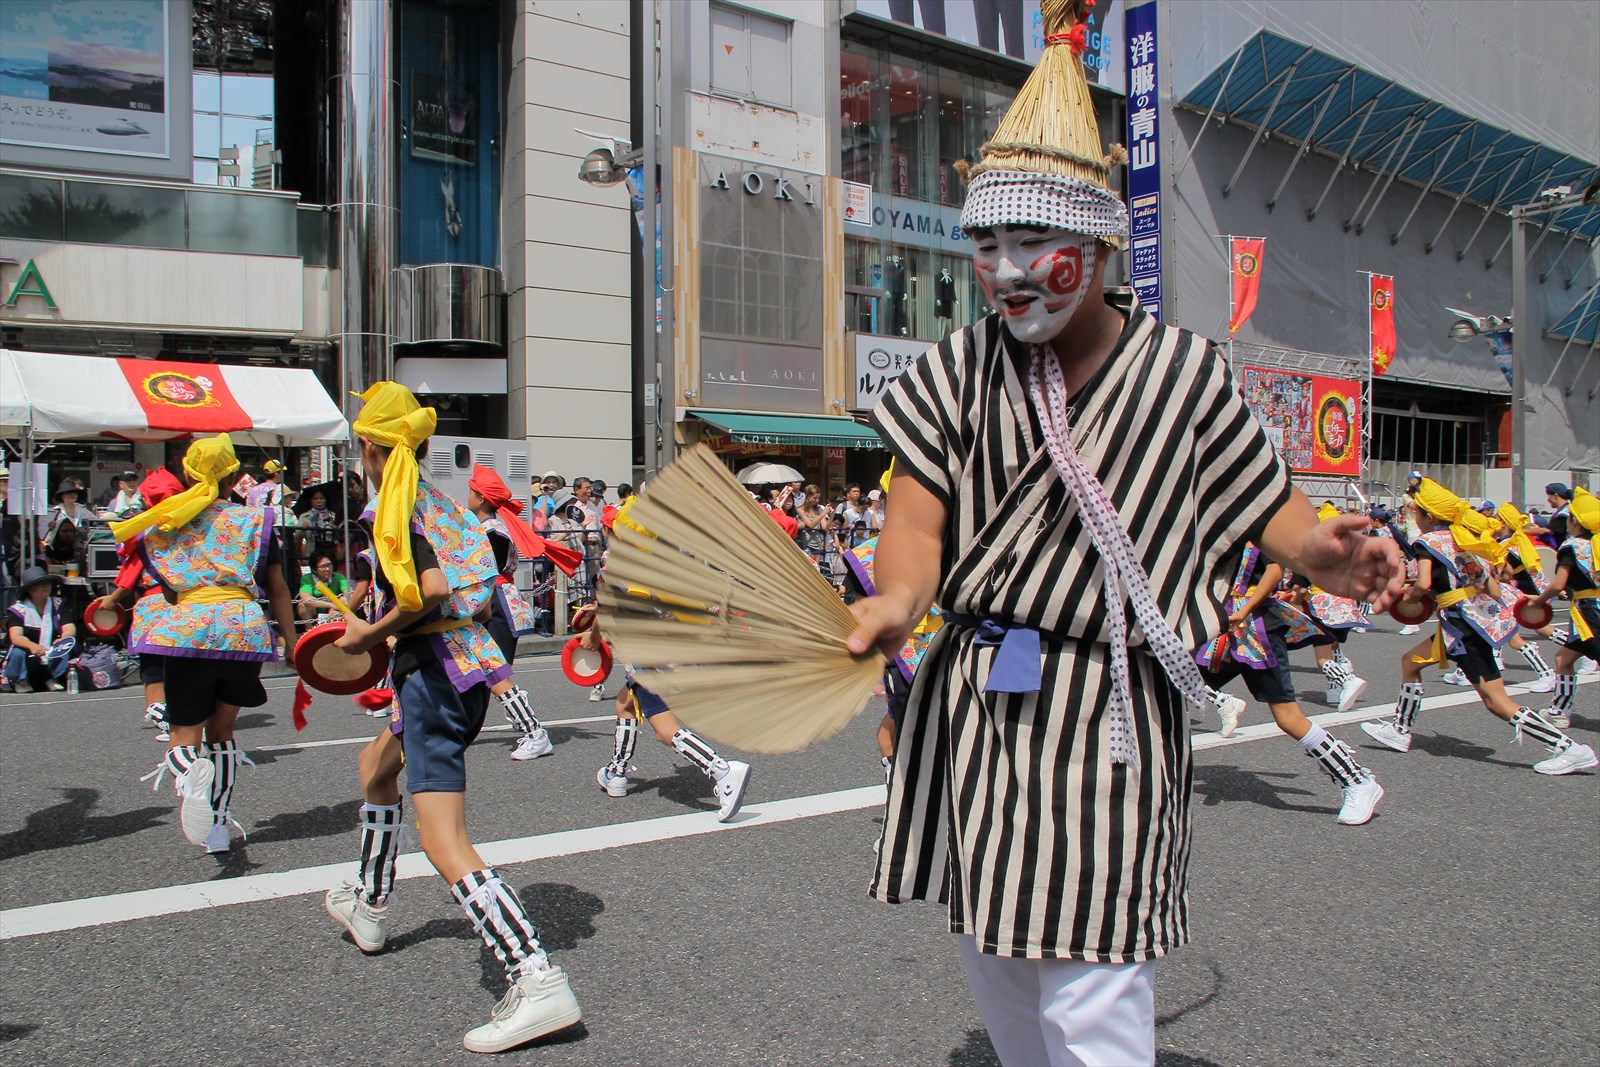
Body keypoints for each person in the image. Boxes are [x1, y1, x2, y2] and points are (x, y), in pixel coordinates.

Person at [843, 6, 1406, 1060]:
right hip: (981, 694)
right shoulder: (956, 368)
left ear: (1098, 246)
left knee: (1094, 965)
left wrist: (1329, 554)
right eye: (988, 246)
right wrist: (894, 599)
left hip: (1108, 703)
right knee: (993, 941)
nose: (1008, 271)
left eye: (1035, 244)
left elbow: (1275, 512)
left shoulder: (1185, 374)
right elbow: (916, 517)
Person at [322, 382, 581, 1054]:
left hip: (433, 673)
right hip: (465, 664)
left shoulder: (397, 507)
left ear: (369, 448)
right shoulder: (444, 505)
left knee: (444, 839)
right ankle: (370, 901)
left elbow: (429, 590)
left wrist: (367, 634)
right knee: (375, 767)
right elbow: (474, 594)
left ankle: (537, 976)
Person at [112, 434, 299, 854]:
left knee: (184, 734)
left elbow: (170, 591)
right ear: (234, 477)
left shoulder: (167, 523)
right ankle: (217, 827)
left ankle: (188, 774)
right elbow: (279, 588)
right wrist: (291, 641)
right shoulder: (255, 520)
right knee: (222, 731)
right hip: (243, 629)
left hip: (189, 630)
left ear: (188, 476)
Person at [1359, 478, 1594, 775]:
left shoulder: (1428, 542)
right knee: (1412, 662)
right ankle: (1399, 730)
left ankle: (1568, 748)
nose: (1414, 518)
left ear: (1429, 516)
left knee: (1498, 703)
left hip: (1462, 627)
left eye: (1416, 513)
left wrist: (1411, 597)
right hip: (1474, 622)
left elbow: (1424, 583)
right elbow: (1492, 590)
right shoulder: (1468, 539)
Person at [1197, 545, 1383, 825]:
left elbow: (1274, 570)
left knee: (1288, 718)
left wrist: (1244, 610)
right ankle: (1223, 705)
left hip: (1257, 630)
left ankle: (1356, 779)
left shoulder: (1255, 529)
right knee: (1176, 682)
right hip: (1222, 626)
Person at [466, 463, 558, 761]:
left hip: (495, 604)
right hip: (492, 602)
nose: (467, 496)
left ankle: (534, 732)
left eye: (471, 491)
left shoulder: (491, 530)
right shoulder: (490, 527)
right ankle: (462, 729)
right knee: (480, 672)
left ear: (480, 498)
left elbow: (483, 573)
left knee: (494, 673)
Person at [100, 467, 185, 736]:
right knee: (181, 664)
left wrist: (112, 599)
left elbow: (130, 573)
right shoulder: (190, 529)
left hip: (153, 605)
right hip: (187, 605)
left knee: (153, 665)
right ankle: (184, 715)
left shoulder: (146, 531)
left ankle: (161, 713)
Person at [1523, 486, 1600, 729]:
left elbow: (1557, 584)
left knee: (1565, 659)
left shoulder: (1572, 546)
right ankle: (1559, 711)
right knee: (1563, 658)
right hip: (1590, 608)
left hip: (1589, 612)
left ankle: (1559, 712)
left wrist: (1539, 601)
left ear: (1575, 521)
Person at [3, 566, 76, 692]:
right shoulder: (18, 610)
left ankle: (53, 677)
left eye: (47, 583)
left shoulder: (59, 604)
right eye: (41, 584)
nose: (46, 586)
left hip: (51, 651)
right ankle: (21, 681)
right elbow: (16, 636)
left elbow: (69, 627)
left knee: (68, 647)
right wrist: (32, 646)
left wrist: (63, 639)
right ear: (31, 589)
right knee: (18, 652)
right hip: (30, 653)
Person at [42, 478, 92, 564]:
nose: (72, 494)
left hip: (79, 550)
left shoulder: (84, 511)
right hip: (57, 551)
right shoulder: (54, 512)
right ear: (62, 496)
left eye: (75, 492)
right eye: (69, 492)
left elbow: (96, 523)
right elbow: (45, 535)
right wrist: (50, 527)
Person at [296, 552, 350, 621]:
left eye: (329, 565)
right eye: (323, 566)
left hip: (333, 611)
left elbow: (348, 592)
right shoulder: (307, 578)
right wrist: (331, 604)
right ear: (314, 570)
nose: (327, 569)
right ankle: (309, 627)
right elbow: (306, 598)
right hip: (315, 610)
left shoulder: (339, 577)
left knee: (345, 599)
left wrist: (334, 607)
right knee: (302, 605)